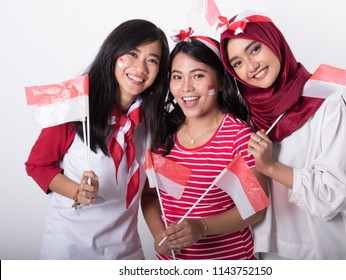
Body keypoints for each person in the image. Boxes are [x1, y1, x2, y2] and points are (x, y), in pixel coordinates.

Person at [218, 10, 346, 259]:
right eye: (237, 63)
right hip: (265, 253)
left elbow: (337, 193)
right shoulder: (244, 113)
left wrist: (271, 167)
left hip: (323, 251)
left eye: (254, 49)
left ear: (274, 41)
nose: (251, 67)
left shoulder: (325, 103)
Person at [25, 19, 169, 259]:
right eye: (132, 54)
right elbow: (37, 165)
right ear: (113, 52)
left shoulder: (152, 121)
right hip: (68, 251)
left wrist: (160, 234)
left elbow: (149, 191)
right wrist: (76, 191)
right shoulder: (74, 108)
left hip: (126, 252)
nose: (141, 68)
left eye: (152, 60)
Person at [141, 28, 269, 260]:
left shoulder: (238, 137)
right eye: (177, 77)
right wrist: (157, 232)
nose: (186, 88)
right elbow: (151, 196)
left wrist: (202, 227)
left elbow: (255, 207)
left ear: (220, 82)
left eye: (198, 76)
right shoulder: (163, 134)